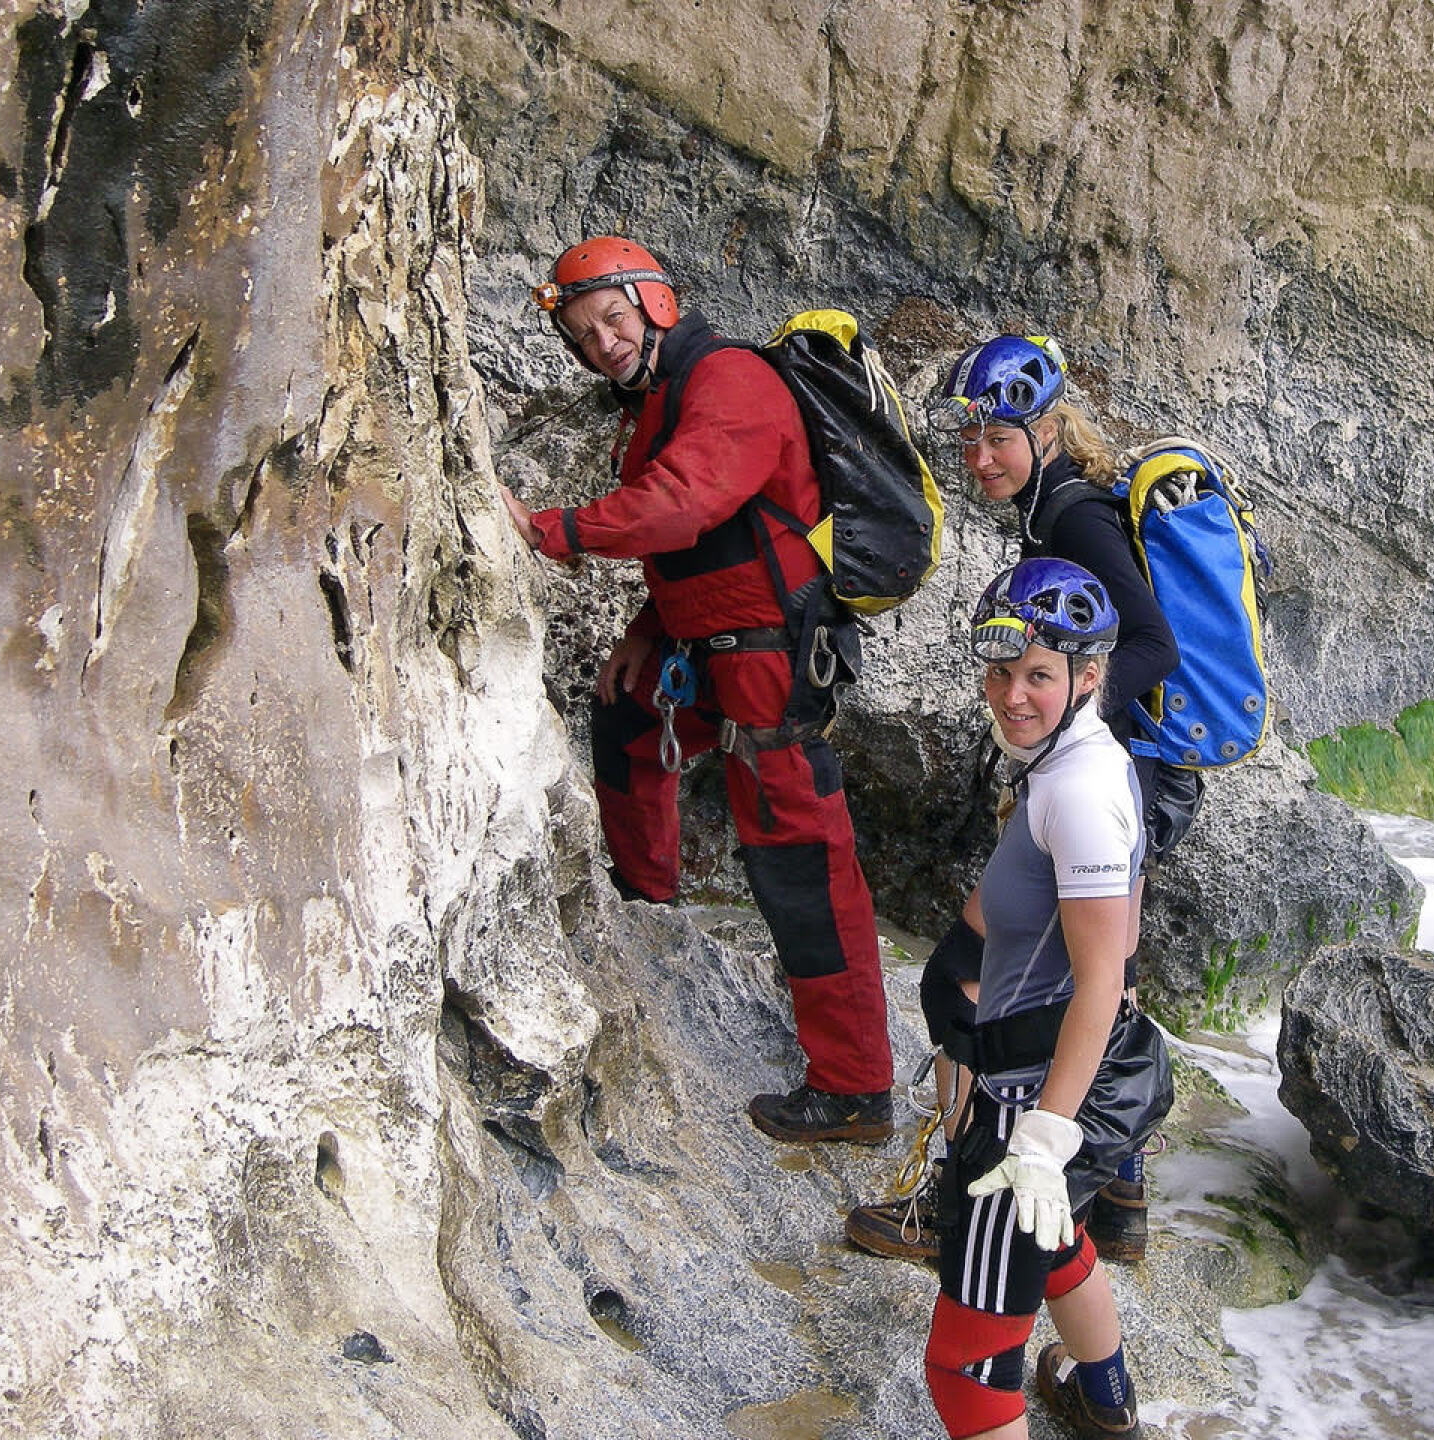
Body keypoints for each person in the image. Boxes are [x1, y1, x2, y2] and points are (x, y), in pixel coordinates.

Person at [498, 235, 894, 1142]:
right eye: (582, 333)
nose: (601, 343)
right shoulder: (659, 401)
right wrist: (648, 631)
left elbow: (684, 502)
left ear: (656, 302)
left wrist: (550, 530)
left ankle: (857, 1088)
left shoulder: (730, 381)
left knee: (798, 859)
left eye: (612, 318)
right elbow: (699, 541)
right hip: (710, 647)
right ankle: (650, 916)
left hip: (770, 659)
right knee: (625, 718)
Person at [847, 336, 1177, 1260]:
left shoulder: (1071, 520)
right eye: (970, 440)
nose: (980, 457)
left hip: (1112, 778)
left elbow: (1153, 646)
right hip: (1125, 776)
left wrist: (1057, 716)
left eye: (999, 436)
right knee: (1094, 977)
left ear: (1045, 427)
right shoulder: (1057, 503)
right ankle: (1118, 1196)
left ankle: (959, 1199)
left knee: (1000, 989)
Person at [923, 558, 1150, 1440]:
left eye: (1040, 676)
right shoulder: (1071, 759)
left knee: (965, 1378)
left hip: (1027, 1100)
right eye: (1001, 670)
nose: (1012, 696)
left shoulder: (1082, 791)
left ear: (1088, 677)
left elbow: (1104, 972)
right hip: (1040, 1067)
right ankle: (1106, 1404)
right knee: (1055, 1247)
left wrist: (1045, 1141)